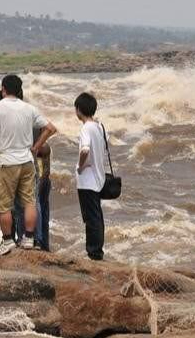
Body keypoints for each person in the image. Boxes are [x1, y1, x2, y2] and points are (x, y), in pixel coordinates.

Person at [0, 75, 57, 256]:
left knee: (4, 204)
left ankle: (7, 241)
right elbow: (51, 128)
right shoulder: (29, 108)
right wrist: (36, 147)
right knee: (29, 201)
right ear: (20, 89)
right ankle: (29, 239)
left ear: (3, 89)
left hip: (7, 162)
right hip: (27, 161)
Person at [0, 89, 52, 251]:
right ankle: (39, 242)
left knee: (21, 206)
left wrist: (33, 149)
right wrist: (36, 150)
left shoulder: (10, 117)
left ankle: (26, 239)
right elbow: (46, 145)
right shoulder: (30, 113)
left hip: (22, 166)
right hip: (34, 167)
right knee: (37, 207)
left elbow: (44, 147)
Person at [74, 92, 106, 261]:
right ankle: (97, 250)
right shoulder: (99, 126)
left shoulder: (86, 128)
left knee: (91, 218)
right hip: (98, 179)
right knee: (97, 216)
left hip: (87, 181)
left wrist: (80, 166)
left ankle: (94, 253)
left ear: (79, 109)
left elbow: (85, 149)